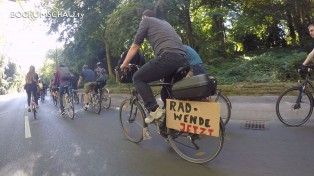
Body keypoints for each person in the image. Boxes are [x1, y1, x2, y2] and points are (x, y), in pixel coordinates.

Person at [120, 9, 189, 124]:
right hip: (183, 60)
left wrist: (124, 63)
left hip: (167, 57)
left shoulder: (146, 20)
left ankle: (153, 110)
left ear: (144, 17)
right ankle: (170, 124)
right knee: (166, 93)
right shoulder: (166, 23)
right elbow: (179, 40)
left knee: (138, 78)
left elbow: (135, 46)